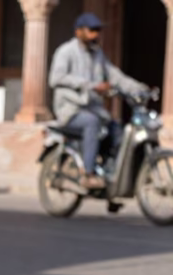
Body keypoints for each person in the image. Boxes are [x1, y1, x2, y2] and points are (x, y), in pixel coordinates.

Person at [49, 12, 147, 190]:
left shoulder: (97, 54)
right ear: (78, 32)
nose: (96, 35)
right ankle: (88, 174)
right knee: (91, 123)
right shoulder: (65, 52)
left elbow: (115, 76)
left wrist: (140, 88)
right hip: (70, 110)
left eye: (98, 31)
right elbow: (55, 78)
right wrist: (91, 85)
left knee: (117, 130)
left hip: (93, 109)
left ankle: (111, 176)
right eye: (92, 30)